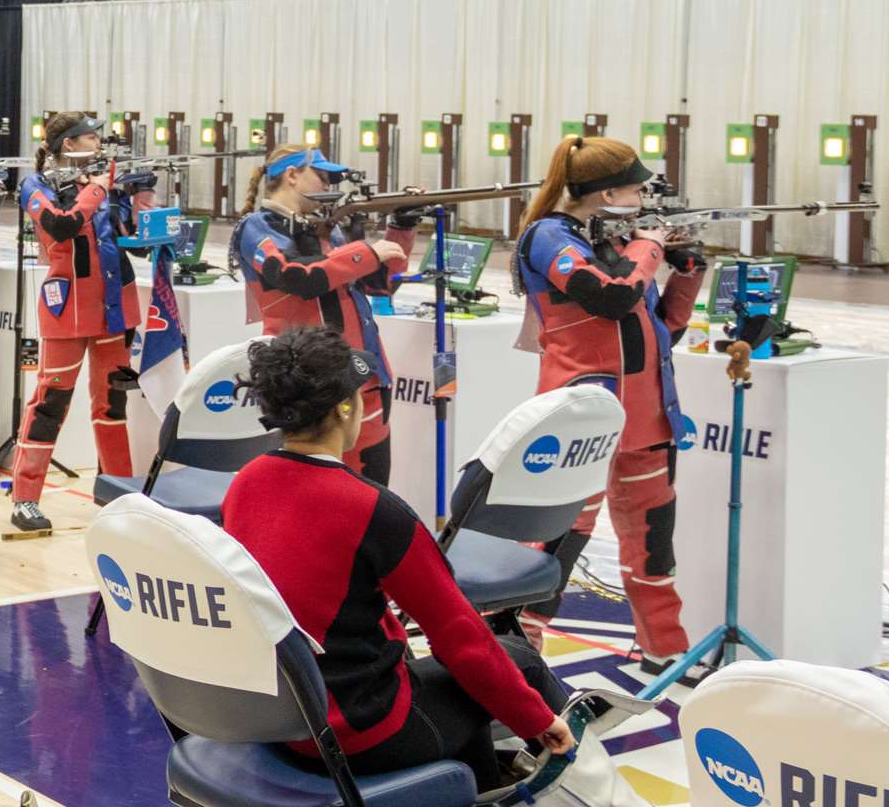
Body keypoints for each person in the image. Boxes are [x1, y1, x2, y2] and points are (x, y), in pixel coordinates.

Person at [222, 326, 574, 790]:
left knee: (450, 686)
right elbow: (460, 637)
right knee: (515, 661)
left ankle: (476, 786)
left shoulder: (245, 483)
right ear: (346, 406)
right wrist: (539, 720)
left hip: (279, 718)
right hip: (356, 733)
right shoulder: (373, 509)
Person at [513, 136, 706, 673]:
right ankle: (519, 650)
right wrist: (650, 248)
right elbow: (610, 295)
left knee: (652, 547)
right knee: (554, 545)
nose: (643, 198)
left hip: (646, 419)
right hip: (584, 420)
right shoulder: (549, 237)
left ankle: (664, 650)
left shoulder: (616, 245)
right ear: (605, 193)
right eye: (636, 188)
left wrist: (688, 272)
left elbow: (658, 328)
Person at [228, 144, 417, 485]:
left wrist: (401, 227)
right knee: (312, 494)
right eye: (323, 176)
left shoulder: (329, 229)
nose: (330, 185)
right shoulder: (257, 227)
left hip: (363, 378)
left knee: (371, 492)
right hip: (307, 386)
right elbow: (299, 277)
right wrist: (364, 253)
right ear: (292, 175)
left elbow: (376, 285)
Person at [5, 112, 140, 532]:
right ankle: (24, 498)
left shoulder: (100, 183)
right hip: (69, 309)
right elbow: (59, 227)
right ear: (69, 145)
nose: (99, 145)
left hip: (113, 307)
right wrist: (99, 187)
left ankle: (119, 490)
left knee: (112, 403)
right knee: (49, 403)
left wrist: (140, 202)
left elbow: (129, 234)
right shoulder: (36, 185)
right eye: (91, 139)